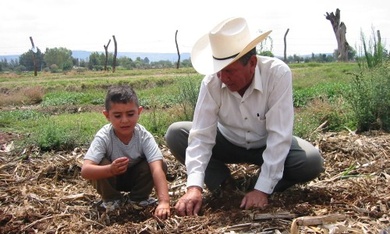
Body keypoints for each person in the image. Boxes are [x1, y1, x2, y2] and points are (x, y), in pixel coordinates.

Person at [165, 17, 324, 216]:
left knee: (310, 161)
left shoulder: (277, 75)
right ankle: (224, 185)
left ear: (253, 62)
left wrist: (261, 190)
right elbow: (201, 137)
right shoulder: (211, 82)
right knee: (176, 134)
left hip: (264, 142)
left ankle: (262, 182)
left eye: (229, 71)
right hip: (226, 141)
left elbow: (279, 136)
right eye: (219, 71)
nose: (223, 78)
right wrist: (194, 187)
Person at [81, 85, 170, 219]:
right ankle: (111, 199)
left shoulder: (143, 136)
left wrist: (164, 201)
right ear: (107, 115)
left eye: (130, 114)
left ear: (139, 111)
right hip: (110, 179)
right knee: (99, 162)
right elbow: (85, 170)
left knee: (159, 164)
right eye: (117, 115)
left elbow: (157, 169)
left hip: (135, 178)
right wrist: (110, 170)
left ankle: (138, 199)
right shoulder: (104, 136)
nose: (125, 120)